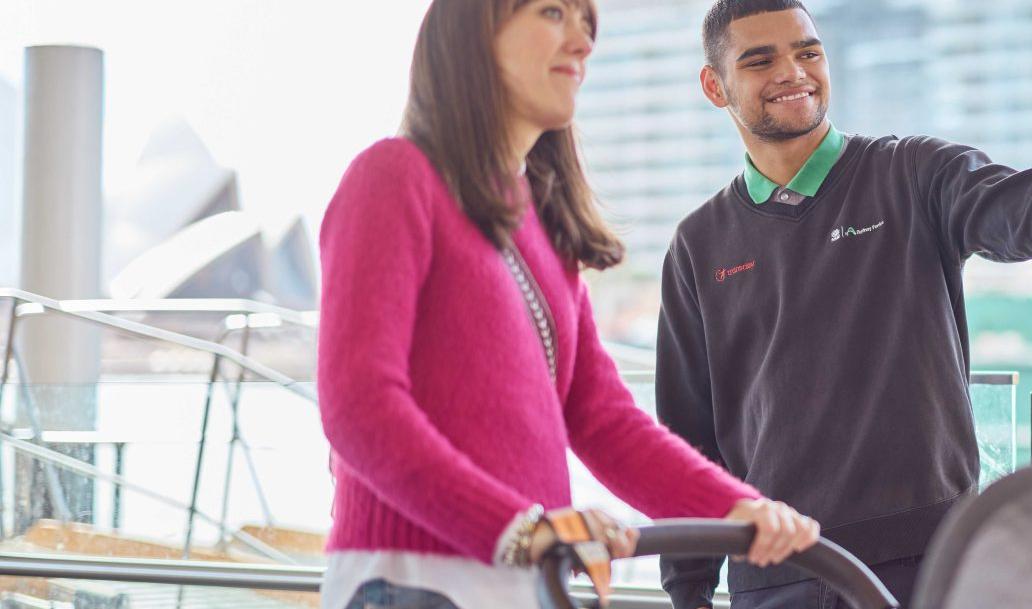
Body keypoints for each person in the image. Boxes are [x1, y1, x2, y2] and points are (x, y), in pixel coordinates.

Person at [655, 2, 1032, 607]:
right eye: (760, 60)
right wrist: (689, 594)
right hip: (774, 577)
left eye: (808, 52)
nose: (793, 72)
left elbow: (1023, 206)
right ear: (715, 86)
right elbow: (688, 439)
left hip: (926, 563)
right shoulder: (699, 244)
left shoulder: (911, 173)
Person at [317, 1, 820, 607]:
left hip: (518, 580)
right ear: (473, 30)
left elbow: (602, 419)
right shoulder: (393, 176)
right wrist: (520, 529)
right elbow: (359, 406)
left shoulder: (544, 227)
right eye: (554, 13)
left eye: (587, 24)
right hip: (411, 581)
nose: (583, 43)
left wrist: (738, 508)